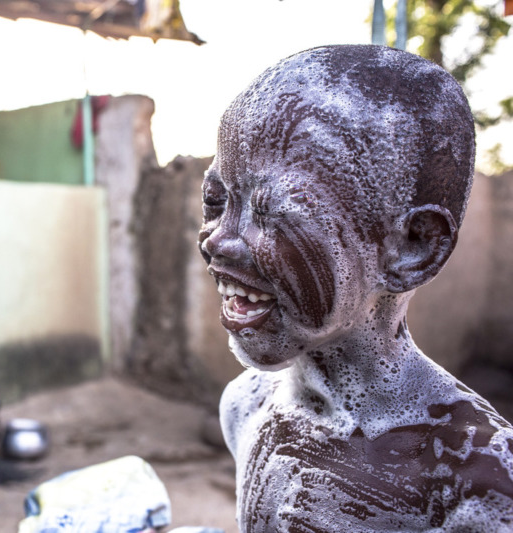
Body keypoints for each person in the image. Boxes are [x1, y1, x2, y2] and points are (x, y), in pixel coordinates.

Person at [198, 45, 513, 532]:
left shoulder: (472, 485)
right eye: (216, 203)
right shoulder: (247, 406)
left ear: (412, 249)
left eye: (270, 212)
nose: (217, 240)